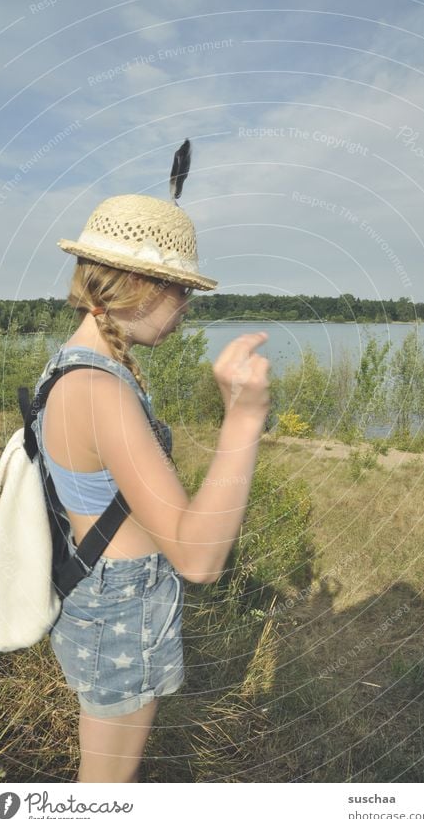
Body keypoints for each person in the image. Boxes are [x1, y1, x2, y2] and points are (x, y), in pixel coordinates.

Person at [33, 192, 270, 783]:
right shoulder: (100, 391)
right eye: (180, 288)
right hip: (121, 608)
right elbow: (198, 557)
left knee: (106, 774)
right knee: (107, 792)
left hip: (100, 596)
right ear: (137, 284)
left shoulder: (74, 365)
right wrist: (243, 419)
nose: (186, 305)